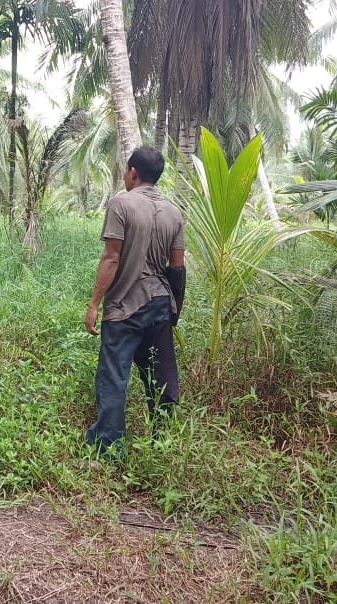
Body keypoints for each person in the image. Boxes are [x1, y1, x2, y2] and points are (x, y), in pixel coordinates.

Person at [84, 146, 186, 452]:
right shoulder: (174, 212)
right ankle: (162, 441)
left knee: (114, 377)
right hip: (159, 303)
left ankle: (110, 449)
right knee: (161, 377)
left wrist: (93, 305)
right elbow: (177, 267)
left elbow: (111, 258)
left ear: (133, 172)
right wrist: (174, 310)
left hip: (124, 308)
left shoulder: (121, 204)